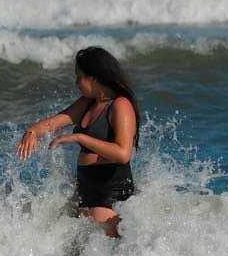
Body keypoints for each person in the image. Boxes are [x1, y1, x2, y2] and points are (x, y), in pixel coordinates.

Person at [16, 46, 140, 238]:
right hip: (86, 188)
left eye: (79, 76)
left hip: (109, 191)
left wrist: (79, 137)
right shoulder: (88, 102)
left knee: (103, 252)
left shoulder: (120, 105)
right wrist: (31, 132)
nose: (76, 82)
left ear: (95, 77)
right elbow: (53, 123)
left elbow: (123, 154)